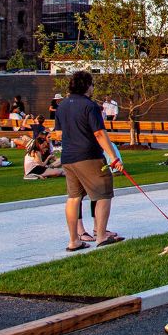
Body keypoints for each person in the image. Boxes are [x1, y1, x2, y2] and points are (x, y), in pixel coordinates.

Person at [57, 70, 124, 251]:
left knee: (74, 197)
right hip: (89, 156)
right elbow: (99, 133)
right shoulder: (90, 106)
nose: (93, 87)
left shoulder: (62, 105)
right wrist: (113, 157)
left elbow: (59, 133)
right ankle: (101, 236)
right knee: (103, 193)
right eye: (92, 84)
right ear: (87, 85)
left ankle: (74, 240)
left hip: (68, 157)